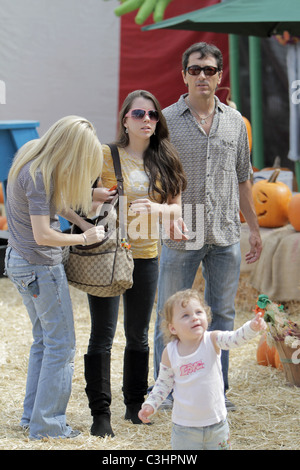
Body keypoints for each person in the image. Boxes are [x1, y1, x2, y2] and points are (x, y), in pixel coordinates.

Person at [153, 42, 262, 409]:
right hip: (182, 233)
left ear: (219, 76)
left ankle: (217, 390)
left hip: (225, 232)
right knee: (168, 316)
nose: (202, 76)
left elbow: (244, 178)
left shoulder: (235, 121)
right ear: (184, 74)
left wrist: (256, 229)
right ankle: (166, 394)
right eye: (195, 69)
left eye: (210, 70)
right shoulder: (165, 121)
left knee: (223, 315)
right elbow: (156, 177)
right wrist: (167, 216)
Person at [85, 89, 187, 438]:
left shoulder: (166, 156)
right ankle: (100, 414)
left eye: (153, 115)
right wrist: (95, 196)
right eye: (139, 114)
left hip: (147, 255)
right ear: (125, 119)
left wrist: (158, 209)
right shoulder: (103, 155)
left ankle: (133, 405)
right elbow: (76, 195)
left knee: (139, 335)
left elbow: (176, 206)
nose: (147, 120)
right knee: (102, 335)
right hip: (108, 254)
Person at [4, 116, 105, 440]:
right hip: (39, 266)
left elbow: (56, 204)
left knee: (44, 342)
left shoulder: (33, 155)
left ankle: (32, 416)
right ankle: (48, 425)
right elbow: (44, 234)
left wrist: (84, 221)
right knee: (61, 345)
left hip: (20, 262)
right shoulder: (39, 176)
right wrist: (83, 239)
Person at [139, 289, 266, 450]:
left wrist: (252, 327)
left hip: (217, 425)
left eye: (199, 312)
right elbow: (163, 384)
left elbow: (235, 339)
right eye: (185, 315)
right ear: (172, 328)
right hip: (184, 429)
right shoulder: (170, 352)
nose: (194, 317)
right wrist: (150, 404)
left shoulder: (212, 340)